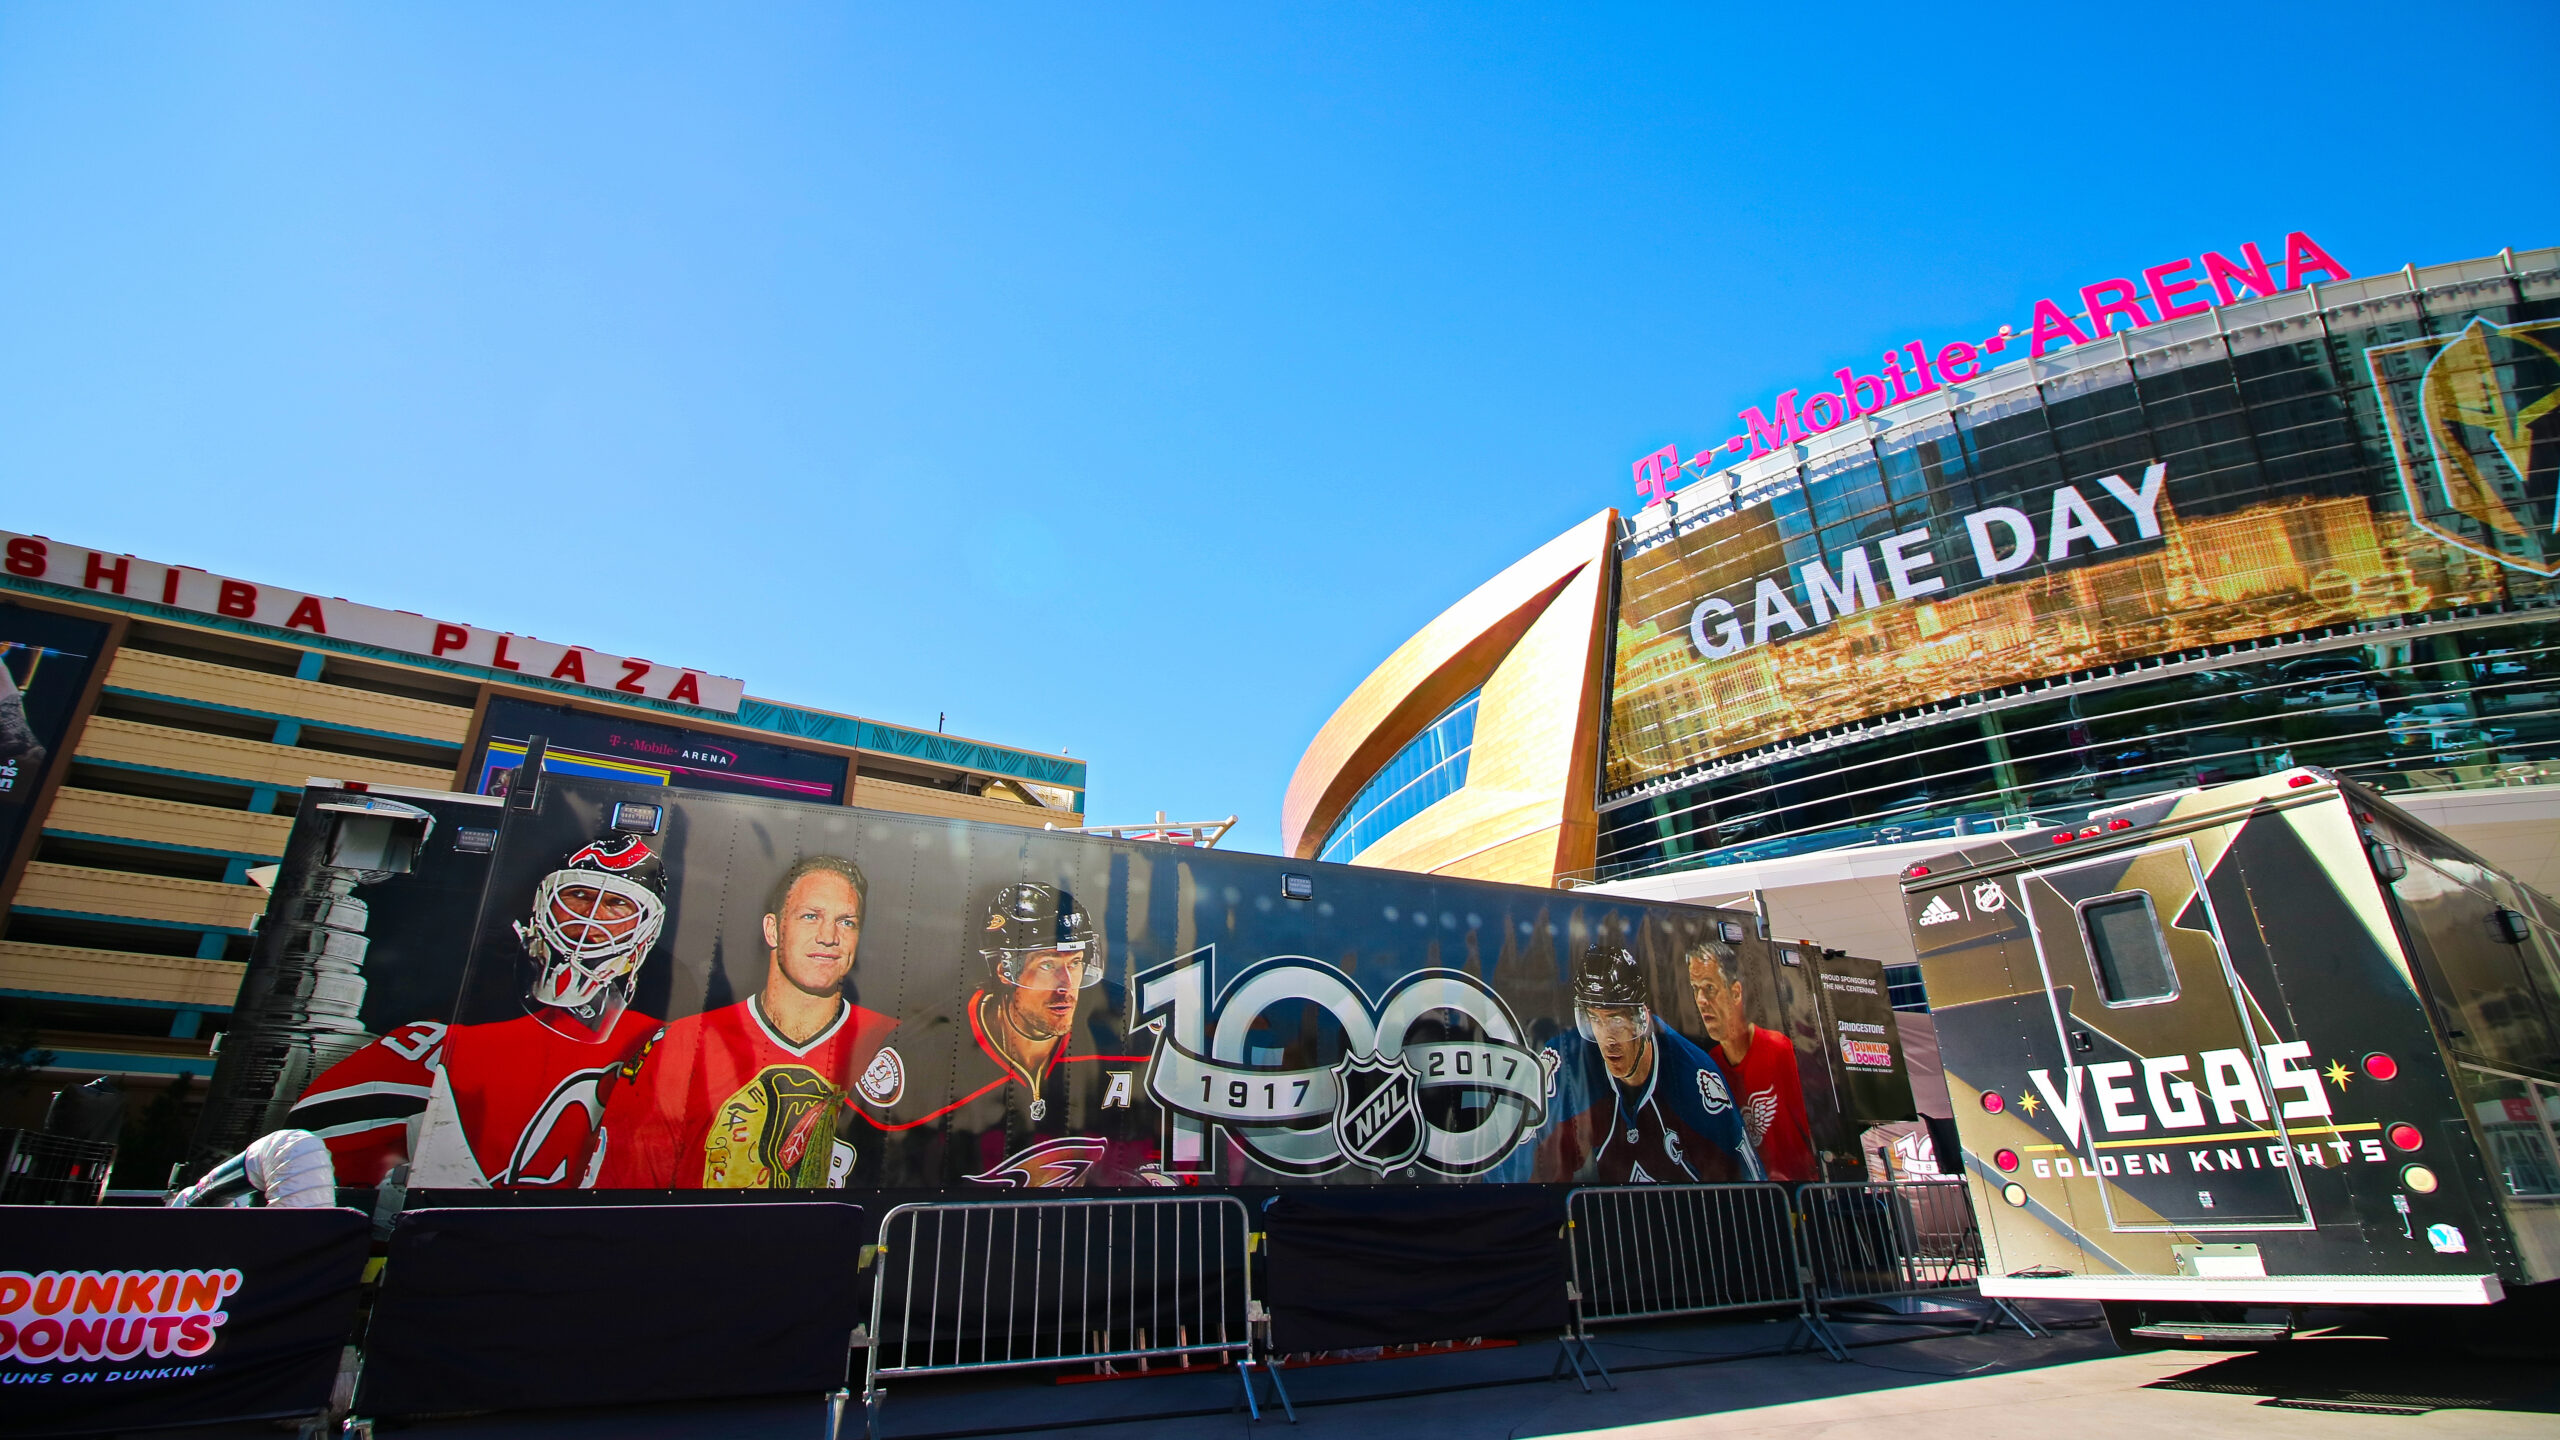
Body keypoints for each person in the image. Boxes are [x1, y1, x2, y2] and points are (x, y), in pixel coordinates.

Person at [288, 833, 669, 1188]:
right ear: (543, 904)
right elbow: (306, 1164)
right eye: (580, 894)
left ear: (646, 931)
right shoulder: (439, 1043)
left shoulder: (662, 1046)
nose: (591, 916)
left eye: (618, 903)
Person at [587, 854, 896, 1188]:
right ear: (773, 929)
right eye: (810, 916)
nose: (828, 936)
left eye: (846, 922)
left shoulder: (887, 1042)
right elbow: (626, 1196)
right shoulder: (682, 1045)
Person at [853, 882, 1163, 1187]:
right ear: (1004, 970)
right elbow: (871, 1169)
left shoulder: (1121, 1028)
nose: (1066, 986)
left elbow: (1153, 1142)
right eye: (1047, 965)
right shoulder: (924, 1053)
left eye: (1076, 963)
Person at [1531, 943, 1762, 1184]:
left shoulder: (1693, 1079)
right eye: (1595, 1020)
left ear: (1642, 1018)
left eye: (1616, 1019)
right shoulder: (1570, 1065)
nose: (1608, 1039)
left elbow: (1747, 1188)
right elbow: (1543, 1173)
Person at [1686, 943, 1818, 1182]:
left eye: (1709, 988)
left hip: (1797, 1193)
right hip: (1751, 1199)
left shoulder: (1779, 1050)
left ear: (1736, 992)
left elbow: (1812, 1124)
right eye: (1695, 989)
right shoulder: (1709, 1066)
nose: (1701, 1000)